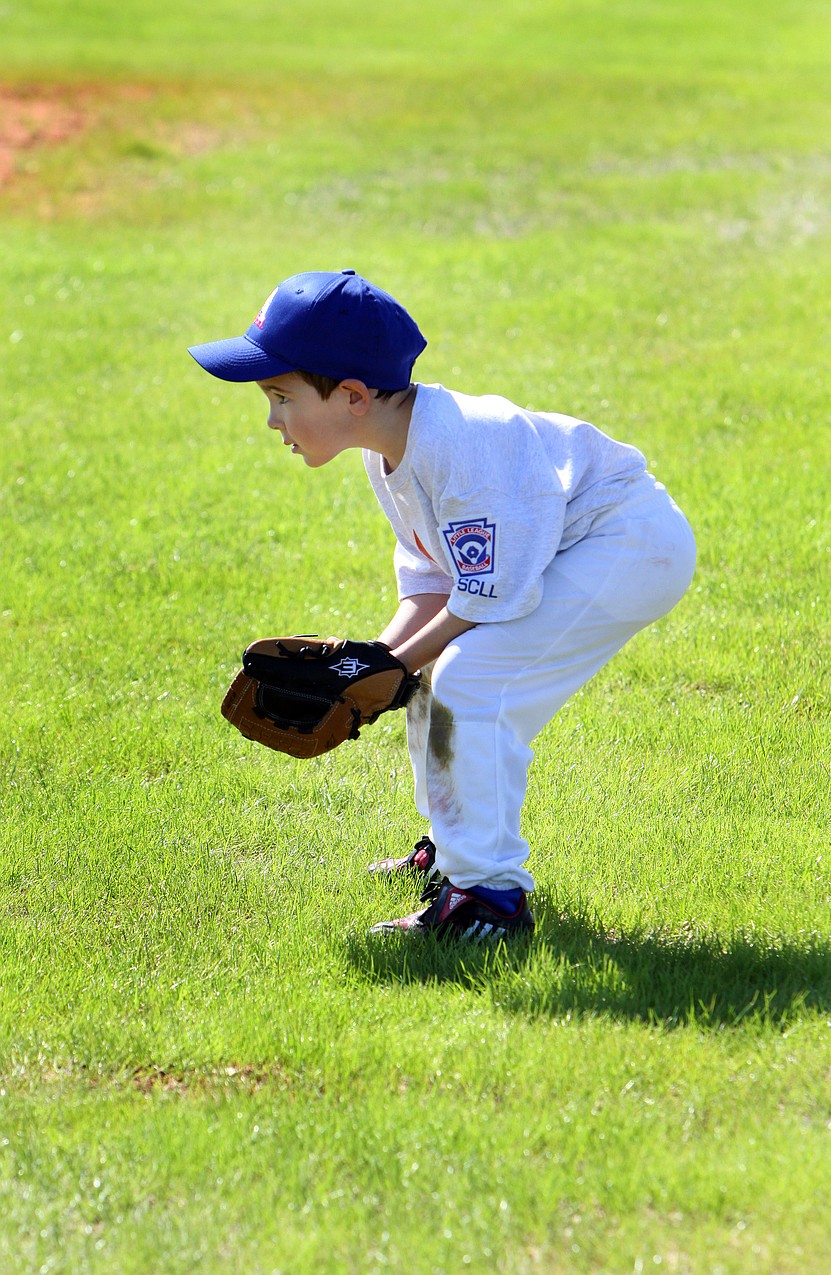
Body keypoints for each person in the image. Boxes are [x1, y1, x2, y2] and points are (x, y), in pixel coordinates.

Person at [188, 269, 696, 941]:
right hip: (576, 549)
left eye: (280, 396)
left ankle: (488, 895)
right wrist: (370, 662)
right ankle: (454, 849)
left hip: (627, 544)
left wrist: (386, 665)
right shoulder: (390, 452)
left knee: (472, 681)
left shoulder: (461, 445)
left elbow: (492, 593)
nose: (272, 418)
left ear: (351, 395)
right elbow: (431, 579)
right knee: (431, 677)